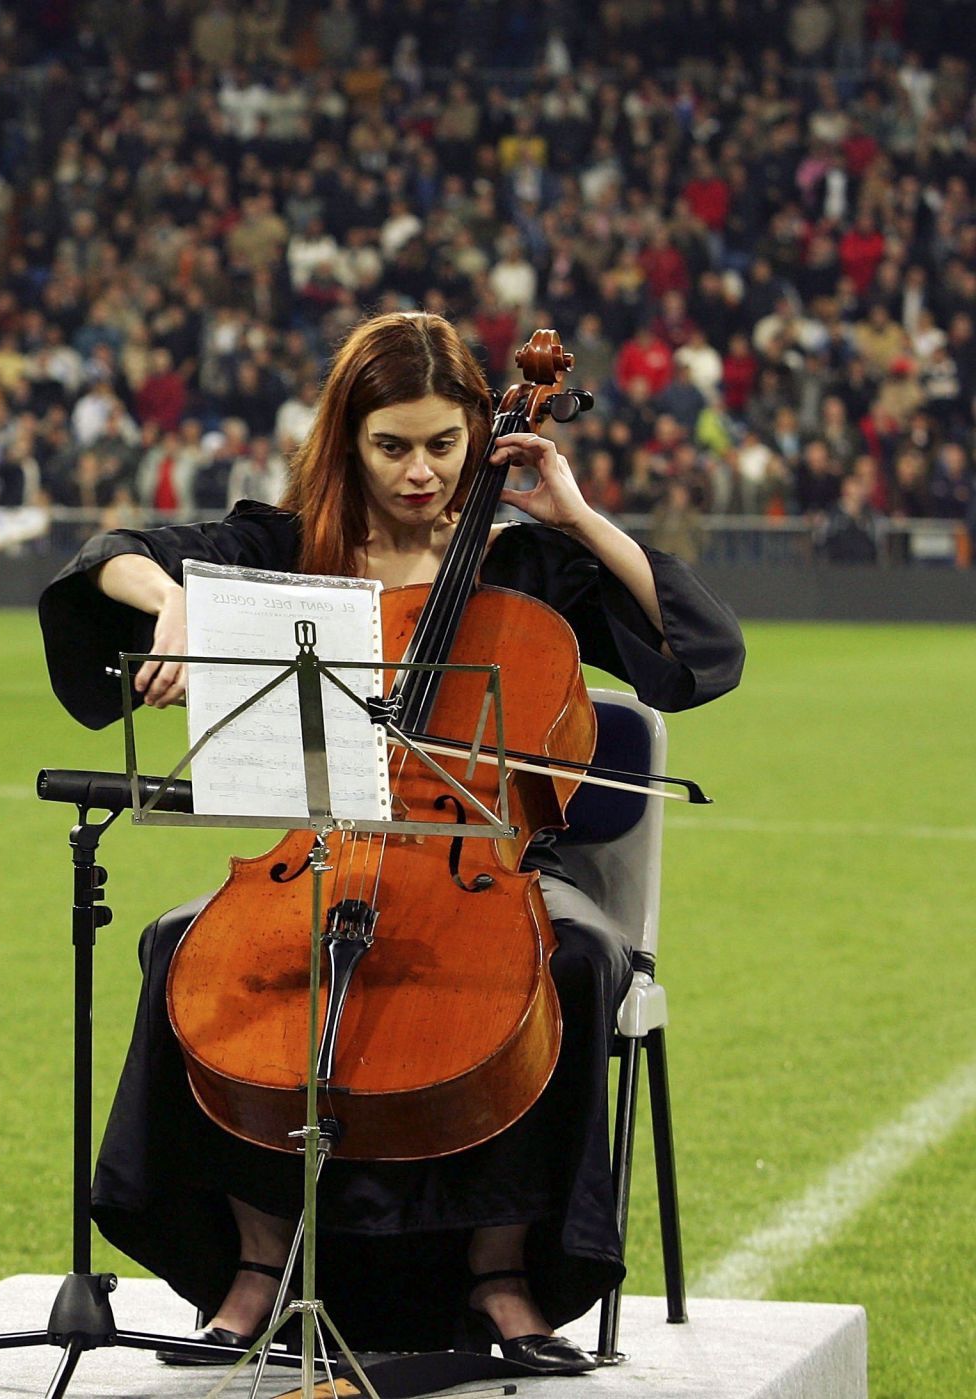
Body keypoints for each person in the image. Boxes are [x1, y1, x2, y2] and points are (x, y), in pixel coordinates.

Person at [37, 313, 745, 1371]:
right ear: (347, 440)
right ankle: (257, 1262)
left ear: (479, 434)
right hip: (318, 851)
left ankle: (503, 1272)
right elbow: (108, 558)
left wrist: (582, 515)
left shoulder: (531, 562)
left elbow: (704, 649)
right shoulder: (288, 550)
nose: (420, 472)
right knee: (180, 946)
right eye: (392, 446)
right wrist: (174, 599)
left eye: (444, 444)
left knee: (577, 960)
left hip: (488, 859)